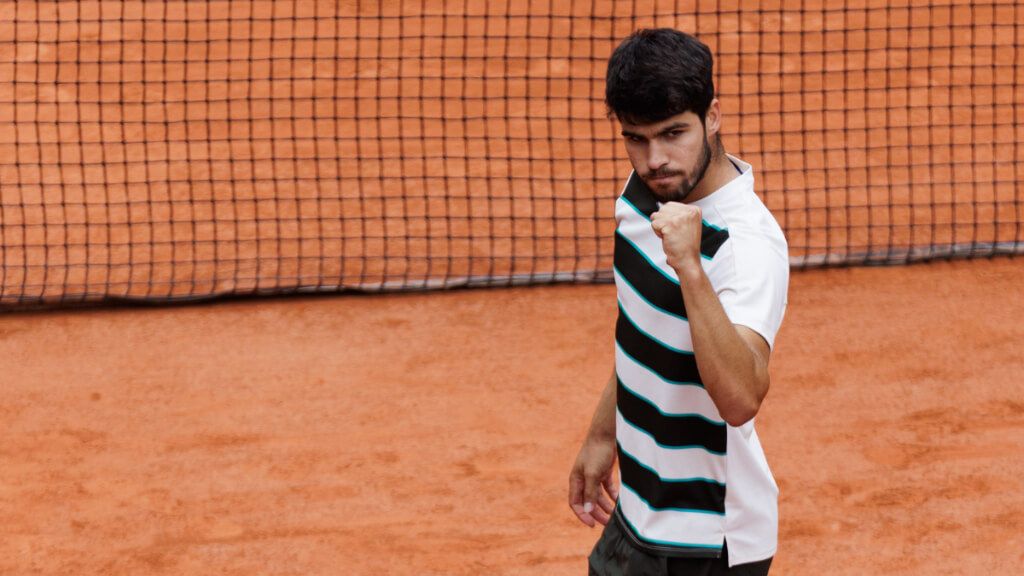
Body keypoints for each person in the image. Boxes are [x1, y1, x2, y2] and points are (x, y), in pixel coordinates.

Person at [568, 28, 790, 575]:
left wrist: (690, 267)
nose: (655, 159)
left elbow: (741, 398)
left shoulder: (746, 245)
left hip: (708, 533)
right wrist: (603, 433)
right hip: (640, 508)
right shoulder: (646, 190)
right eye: (636, 139)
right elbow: (646, 329)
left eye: (674, 134)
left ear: (712, 115)